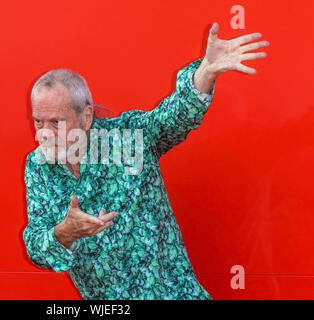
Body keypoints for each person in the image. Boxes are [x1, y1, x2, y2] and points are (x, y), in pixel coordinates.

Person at [22, 22, 270, 299]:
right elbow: (36, 245)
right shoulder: (39, 166)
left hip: (174, 294)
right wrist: (64, 232)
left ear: (87, 116)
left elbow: (174, 117)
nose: (44, 133)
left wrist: (205, 73)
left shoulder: (129, 139)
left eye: (56, 122)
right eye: (38, 121)